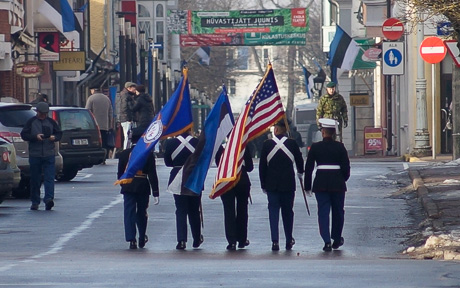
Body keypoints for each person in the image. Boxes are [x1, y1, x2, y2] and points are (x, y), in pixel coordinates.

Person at [304, 118, 350, 252]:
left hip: (321, 184)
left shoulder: (315, 147)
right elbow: (346, 167)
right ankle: (336, 238)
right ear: (334, 133)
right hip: (337, 184)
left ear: (323, 132)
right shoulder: (340, 147)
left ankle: (326, 241)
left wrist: (307, 186)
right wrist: (342, 179)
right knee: (338, 212)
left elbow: (309, 168)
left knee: (323, 212)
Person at [259, 119, 304, 251]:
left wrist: (263, 184)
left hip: (271, 185)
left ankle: (275, 241)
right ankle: (289, 239)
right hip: (288, 184)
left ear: (277, 129)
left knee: (273, 212)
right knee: (288, 212)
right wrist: (300, 173)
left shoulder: (267, 145)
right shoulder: (292, 143)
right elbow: (299, 161)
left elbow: (262, 167)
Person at [117, 127, 159, 249]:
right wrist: (156, 192)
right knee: (142, 212)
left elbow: (120, 173)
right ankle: (141, 236)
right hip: (142, 184)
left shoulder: (124, 154)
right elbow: (152, 174)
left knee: (129, 212)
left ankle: (131, 239)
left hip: (128, 184)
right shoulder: (147, 154)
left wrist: (123, 184)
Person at [164, 129, 202, 250]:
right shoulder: (197, 142)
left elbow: (168, 162)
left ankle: (181, 240)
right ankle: (196, 239)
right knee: (194, 210)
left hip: (177, 177)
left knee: (180, 210)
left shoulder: (170, 144)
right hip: (193, 177)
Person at [20, 102, 62, 210]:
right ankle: (35, 201)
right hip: (35, 154)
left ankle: (49, 199)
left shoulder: (51, 122)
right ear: (37, 112)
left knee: (49, 178)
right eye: (41, 113)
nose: (43, 116)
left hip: (49, 154)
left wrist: (54, 137)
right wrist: (35, 137)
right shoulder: (31, 122)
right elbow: (24, 135)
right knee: (35, 179)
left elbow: (59, 134)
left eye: (45, 114)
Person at [216, 145, 253, 251]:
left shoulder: (221, 148)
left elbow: (219, 165)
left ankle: (231, 241)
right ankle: (242, 239)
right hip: (242, 179)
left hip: (226, 181)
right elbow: (250, 167)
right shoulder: (243, 146)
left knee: (229, 211)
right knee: (242, 210)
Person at [85, 86, 113, 163]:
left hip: (93, 126)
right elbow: (110, 112)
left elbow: (87, 112)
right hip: (104, 125)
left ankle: (95, 158)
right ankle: (104, 158)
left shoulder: (91, 98)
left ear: (93, 90)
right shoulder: (106, 99)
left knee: (95, 142)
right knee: (104, 142)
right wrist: (110, 124)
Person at [116, 82, 137, 149]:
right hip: (126, 119)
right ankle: (126, 149)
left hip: (125, 118)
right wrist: (129, 119)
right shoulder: (126, 95)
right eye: (134, 88)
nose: (135, 89)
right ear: (129, 88)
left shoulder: (125, 95)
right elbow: (124, 108)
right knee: (128, 136)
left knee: (128, 135)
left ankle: (127, 149)